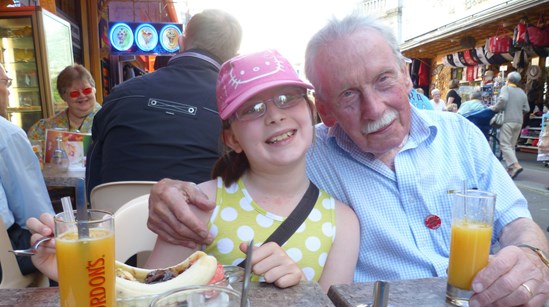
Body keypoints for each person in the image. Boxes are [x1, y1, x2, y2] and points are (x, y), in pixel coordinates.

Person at [145, 14, 549, 307]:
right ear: (325, 109)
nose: (375, 108)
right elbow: (246, 174)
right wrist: (169, 194)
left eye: (384, 80)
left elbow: (517, 223)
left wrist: (533, 256)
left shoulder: (460, 135)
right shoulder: (304, 152)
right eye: (349, 95)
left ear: (408, 76)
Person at [27, 50, 359, 293]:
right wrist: (75, 273)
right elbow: (148, 297)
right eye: (253, 109)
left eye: (288, 98)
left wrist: (299, 290)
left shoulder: (342, 222)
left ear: (310, 110)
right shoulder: (200, 204)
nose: (274, 116)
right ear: (232, 139)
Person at [85, 9, 242, 198]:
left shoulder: (121, 94)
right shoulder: (234, 108)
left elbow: (93, 170)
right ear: (234, 57)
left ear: (181, 42)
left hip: (117, 221)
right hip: (199, 223)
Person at [0, 63, 54, 279]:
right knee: (52, 240)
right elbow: (35, 213)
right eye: (5, 82)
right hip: (5, 261)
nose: (9, 90)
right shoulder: (7, 134)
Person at [26, 64, 100, 142]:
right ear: (63, 96)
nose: (82, 95)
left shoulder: (107, 121)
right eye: (74, 93)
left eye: (87, 90)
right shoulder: (45, 128)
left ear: (94, 90)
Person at [490, 71, 530, 179]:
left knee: (504, 144)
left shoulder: (505, 88)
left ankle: (515, 165)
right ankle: (510, 169)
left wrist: (494, 108)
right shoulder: (522, 92)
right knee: (511, 146)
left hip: (508, 120)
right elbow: (527, 109)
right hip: (519, 121)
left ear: (508, 79)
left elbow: (503, 99)